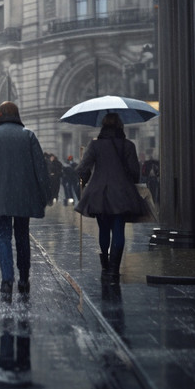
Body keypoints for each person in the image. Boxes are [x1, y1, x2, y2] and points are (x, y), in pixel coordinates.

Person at [0, 101, 49, 301]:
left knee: (3, 236)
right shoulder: (28, 136)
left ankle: (7, 280)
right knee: (22, 235)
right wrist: (44, 194)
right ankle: (24, 279)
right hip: (24, 195)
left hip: (0, 195)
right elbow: (41, 169)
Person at [75, 113, 145, 283]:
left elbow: (83, 168)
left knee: (104, 229)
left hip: (99, 193)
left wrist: (83, 181)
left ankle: (105, 264)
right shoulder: (128, 145)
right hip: (122, 192)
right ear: (120, 126)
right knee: (119, 229)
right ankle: (114, 269)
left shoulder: (95, 145)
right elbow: (135, 171)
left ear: (103, 126)